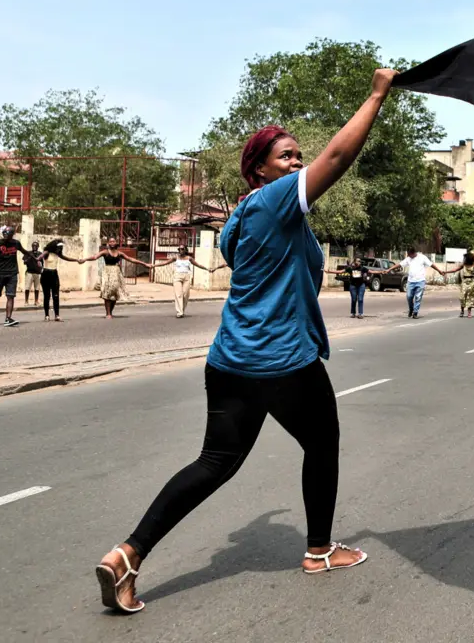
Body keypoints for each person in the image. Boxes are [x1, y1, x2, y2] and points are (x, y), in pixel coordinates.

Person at [94, 67, 396, 615]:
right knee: (322, 444)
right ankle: (319, 550)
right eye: (286, 156)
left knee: (215, 461)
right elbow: (338, 159)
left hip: (232, 358)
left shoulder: (241, 218)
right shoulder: (276, 202)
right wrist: (376, 96)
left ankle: (127, 554)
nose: (298, 163)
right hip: (282, 360)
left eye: (297, 156)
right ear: (260, 170)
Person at [79, 238, 155, 319]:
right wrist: (84, 259)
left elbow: (130, 259)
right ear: (108, 243)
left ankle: (111, 312)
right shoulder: (105, 252)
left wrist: (144, 264)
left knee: (115, 292)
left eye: (114, 241)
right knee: (107, 292)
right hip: (107, 272)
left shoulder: (119, 253)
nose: (112, 243)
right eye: (110, 241)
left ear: (116, 243)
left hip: (116, 273)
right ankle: (108, 313)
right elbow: (94, 257)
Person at [158, 245, 223, 318]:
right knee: (178, 294)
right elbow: (165, 263)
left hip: (186, 277)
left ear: (185, 250)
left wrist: (208, 269)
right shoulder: (175, 258)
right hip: (177, 277)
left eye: (182, 249)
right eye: (179, 249)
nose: (180, 250)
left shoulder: (189, 258)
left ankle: (182, 309)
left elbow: (198, 265)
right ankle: (180, 312)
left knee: (185, 294)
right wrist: (153, 266)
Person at [384, 247, 442, 319]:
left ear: (413, 253)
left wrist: (439, 270)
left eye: (409, 254)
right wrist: (389, 269)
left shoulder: (422, 257)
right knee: (409, 297)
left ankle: (415, 312)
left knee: (418, 297)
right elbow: (399, 264)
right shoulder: (408, 259)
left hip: (420, 281)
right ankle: (411, 309)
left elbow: (431, 264)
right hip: (411, 282)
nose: (408, 256)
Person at [39, 238, 80, 321]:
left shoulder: (58, 254)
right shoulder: (47, 252)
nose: (60, 249)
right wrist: (38, 263)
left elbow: (66, 258)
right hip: (46, 274)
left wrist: (77, 260)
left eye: (61, 248)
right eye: (58, 248)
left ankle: (57, 315)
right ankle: (46, 315)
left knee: (56, 295)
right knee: (47, 296)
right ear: (54, 247)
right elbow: (39, 257)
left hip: (54, 274)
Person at [440, 252, 474, 318]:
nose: (464, 259)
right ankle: (462, 311)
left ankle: (469, 313)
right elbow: (455, 270)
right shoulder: (463, 265)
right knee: (462, 297)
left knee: (470, 297)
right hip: (464, 281)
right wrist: (446, 272)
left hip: (472, 282)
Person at [23, 241, 43, 306]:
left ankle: (36, 301)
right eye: (33, 246)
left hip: (37, 273)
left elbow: (41, 263)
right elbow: (24, 262)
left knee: (37, 288)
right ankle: (26, 301)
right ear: (32, 246)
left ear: (38, 247)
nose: (34, 247)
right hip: (29, 272)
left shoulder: (40, 254)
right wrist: (30, 257)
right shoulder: (28, 253)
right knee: (27, 288)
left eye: (36, 246)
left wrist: (40, 266)